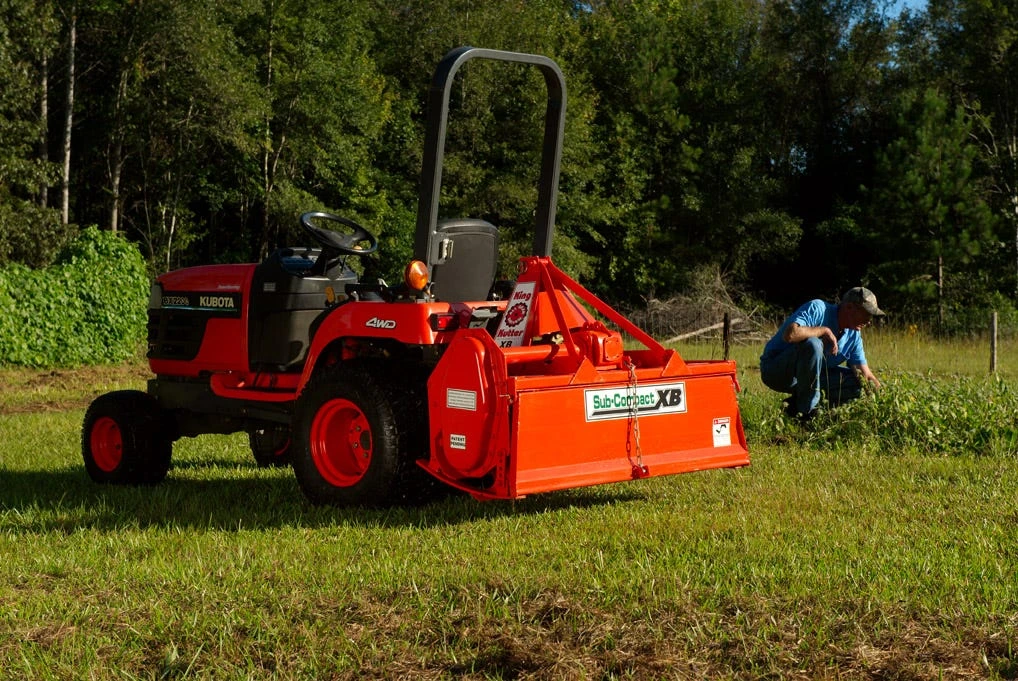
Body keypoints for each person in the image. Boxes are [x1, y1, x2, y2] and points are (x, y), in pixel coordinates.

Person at [760, 286, 884, 420]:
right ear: (849, 308)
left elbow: (864, 374)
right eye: (866, 313)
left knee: (858, 383)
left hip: (809, 379)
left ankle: (794, 408)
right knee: (813, 344)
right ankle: (807, 414)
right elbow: (790, 334)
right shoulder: (819, 308)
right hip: (776, 370)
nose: (869, 320)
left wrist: (884, 397)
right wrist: (824, 330)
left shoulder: (854, 336)